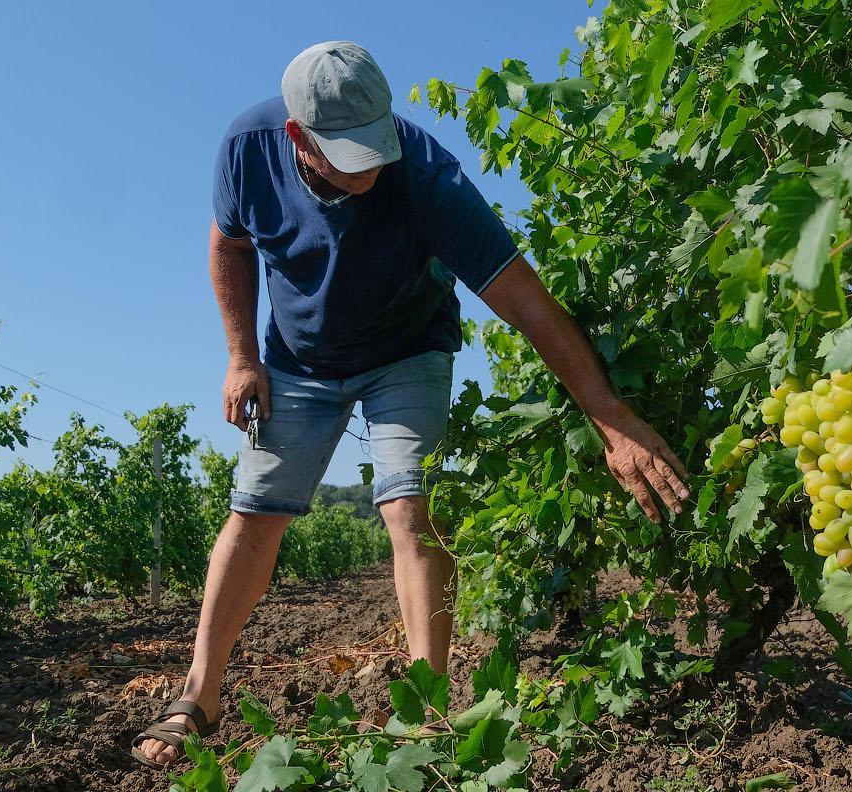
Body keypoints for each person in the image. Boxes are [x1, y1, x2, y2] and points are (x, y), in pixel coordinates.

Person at [131, 41, 689, 769]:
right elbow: (228, 243)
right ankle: (197, 697)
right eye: (348, 154)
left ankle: (428, 708)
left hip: (408, 350)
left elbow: (524, 299)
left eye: (375, 145)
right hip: (298, 361)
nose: (370, 168)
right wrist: (242, 355)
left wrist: (609, 416)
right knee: (256, 510)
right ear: (299, 138)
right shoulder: (248, 148)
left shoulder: (424, 175)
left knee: (407, 504)